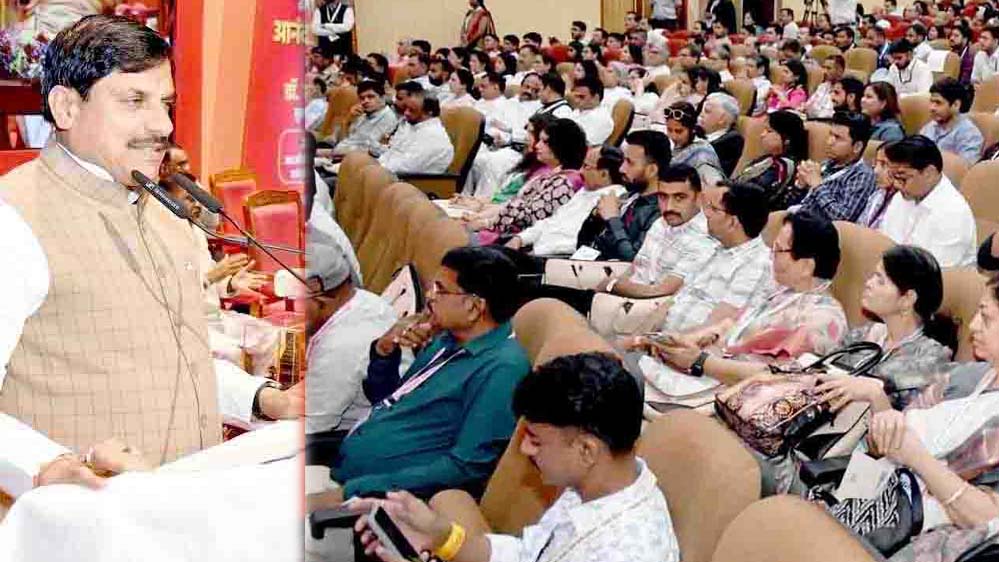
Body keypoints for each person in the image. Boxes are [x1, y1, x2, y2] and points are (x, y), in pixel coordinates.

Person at [0, 15, 226, 496]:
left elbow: (171, 356)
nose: (163, 125)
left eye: (166, 104)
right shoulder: (12, 218)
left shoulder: (162, 210)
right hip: (77, 522)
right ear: (66, 107)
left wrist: (260, 399)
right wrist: (41, 466)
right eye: (134, 101)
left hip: (187, 507)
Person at [353, 352, 681, 562]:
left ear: (586, 450)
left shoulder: (624, 551)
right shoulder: (598, 485)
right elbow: (526, 554)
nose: (524, 450)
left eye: (536, 441)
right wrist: (441, 536)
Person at [305, 246, 531, 511]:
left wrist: (351, 493)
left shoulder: (502, 369)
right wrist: (384, 351)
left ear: (474, 306)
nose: (429, 296)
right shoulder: (447, 340)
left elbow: (465, 468)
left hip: (379, 502)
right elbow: (385, 400)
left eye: (440, 290)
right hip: (346, 472)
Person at [632, 211, 847, 396]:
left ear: (807, 266)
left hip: (736, 395)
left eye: (778, 250)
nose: (771, 256)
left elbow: (786, 378)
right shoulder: (783, 291)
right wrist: (690, 340)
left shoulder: (823, 319)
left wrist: (700, 361)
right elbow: (734, 325)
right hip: (710, 373)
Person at [303, 226, 398, 441]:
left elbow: (313, 424)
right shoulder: (362, 300)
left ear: (321, 300)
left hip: (342, 439)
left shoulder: (342, 344)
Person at [655, 181, 774, 336]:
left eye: (714, 209)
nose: (707, 214)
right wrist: (638, 338)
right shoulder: (714, 249)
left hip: (687, 346)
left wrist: (658, 343)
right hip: (663, 337)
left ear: (733, 222)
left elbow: (714, 328)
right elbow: (672, 302)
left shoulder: (757, 265)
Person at [596, 164, 718, 300]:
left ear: (699, 198)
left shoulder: (704, 238)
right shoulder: (660, 223)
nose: (669, 207)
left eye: (679, 198)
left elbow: (662, 292)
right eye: (663, 197)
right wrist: (613, 286)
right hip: (628, 295)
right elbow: (634, 268)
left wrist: (613, 286)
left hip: (651, 304)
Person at [465, 119, 586, 240]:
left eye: (545, 142)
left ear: (561, 146)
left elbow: (526, 218)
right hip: (498, 228)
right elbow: (513, 205)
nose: (537, 145)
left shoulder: (565, 183)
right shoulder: (553, 175)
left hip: (509, 238)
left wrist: (485, 222)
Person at [506, 146, 626, 256]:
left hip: (554, 258)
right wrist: (520, 238)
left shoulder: (611, 199)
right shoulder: (586, 191)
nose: (580, 171)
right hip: (535, 250)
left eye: (586, 166)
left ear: (604, 174)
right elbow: (552, 222)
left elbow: (576, 242)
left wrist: (536, 253)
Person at [879, 136, 977, 268]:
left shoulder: (953, 212)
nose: (896, 185)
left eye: (902, 178)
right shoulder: (902, 196)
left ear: (929, 173)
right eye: (893, 177)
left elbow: (934, 272)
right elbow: (884, 244)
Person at [576, 130, 672, 261]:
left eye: (630, 162)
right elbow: (583, 246)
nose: (621, 169)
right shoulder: (626, 198)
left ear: (652, 170)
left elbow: (634, 260)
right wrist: (595, 218)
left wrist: (613, 219)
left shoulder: (661, 212)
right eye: (623, 161)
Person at [795, 111, 878, 222]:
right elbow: (797, 203)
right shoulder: (826, 165)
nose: (829, 142)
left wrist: (817, 185)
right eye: (830, 135)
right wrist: (800, 186)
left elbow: (843, 218)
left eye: (838, 138)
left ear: (857, 147)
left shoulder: (862, 175)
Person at [734, 110, 809, 210]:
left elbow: (757, 195)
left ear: (786, 139)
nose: (762, 135)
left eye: (769, 131)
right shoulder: (767, 159)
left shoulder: (783, 165)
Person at [378, 88, 455, 175]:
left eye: (412, 110)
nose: (406, 113)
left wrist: (375, 168)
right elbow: (392, 153)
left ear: (429, 112)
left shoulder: (433, 136)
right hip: (390, 173)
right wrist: (375, 164)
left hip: (413, 180)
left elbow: (406, 167)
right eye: (406, 108)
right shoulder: (413, 126)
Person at [919, 77, 984, 164]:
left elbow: (965, 167)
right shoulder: (930, 127)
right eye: (931, 102)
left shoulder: (969, 135)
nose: (932, 108)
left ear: (956, 105)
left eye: (938, 103)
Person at [330, 80, 400, 156]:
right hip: (342, 154)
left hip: (359, 159)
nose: (365, 101)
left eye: (370, 97)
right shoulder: (362, 115)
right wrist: (346, 122)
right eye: (362, 98)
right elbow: (344, 141)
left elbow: (369, 150)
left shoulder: (388, 118)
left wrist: (334, 152)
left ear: (382, 98)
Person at [665, 101, 724, 185]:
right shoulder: (671, 146)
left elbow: (715, 185)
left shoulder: (702, 154)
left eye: (679, 131)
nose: (673, 136)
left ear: (692, 129)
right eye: (669, 130)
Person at [698, 92, 744, 177]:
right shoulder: (697, 132)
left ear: (722, 119)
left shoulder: (732, 142)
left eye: (707, 111)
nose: (701, 115)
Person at [856, 141, 899, 229]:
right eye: (876, 163)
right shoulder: (878, 193)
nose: (876, 170)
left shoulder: (903, 202)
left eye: (884, 164)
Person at [570, 77, 615, 146]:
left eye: (581, 97)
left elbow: (586, 144)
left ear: (595, 98)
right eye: (575, 96)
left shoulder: (602, 119)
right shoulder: (576, 111)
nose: (576, 100)